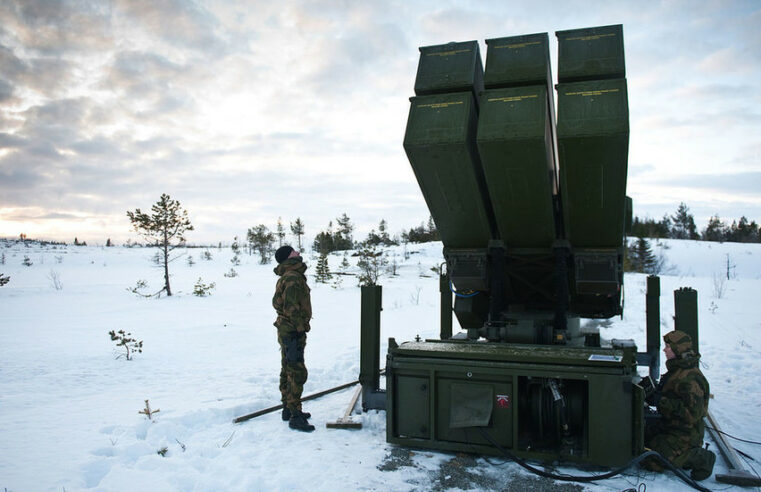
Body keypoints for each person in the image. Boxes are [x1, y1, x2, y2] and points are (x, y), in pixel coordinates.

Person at [645, 330, 715, 480]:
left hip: (686, 433)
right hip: (670, 426)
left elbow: (693, 415)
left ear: (678, 349)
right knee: (640, 441)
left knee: (653, 461)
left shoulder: (690, 379)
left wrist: (661, 402)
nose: (664, 350)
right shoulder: (677, 370)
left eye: (668, 347)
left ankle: (700, 458)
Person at [272, 245, 315, 432]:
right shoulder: (292, 277)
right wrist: (299, 328)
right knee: (296, 372)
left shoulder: (290, 275)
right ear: (289, 257)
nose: (298, 253)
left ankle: (288, 409)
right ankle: (295, 415)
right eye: (294, 252)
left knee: (287, 369)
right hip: (292, 331)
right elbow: (291, 307)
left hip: (286, 329)